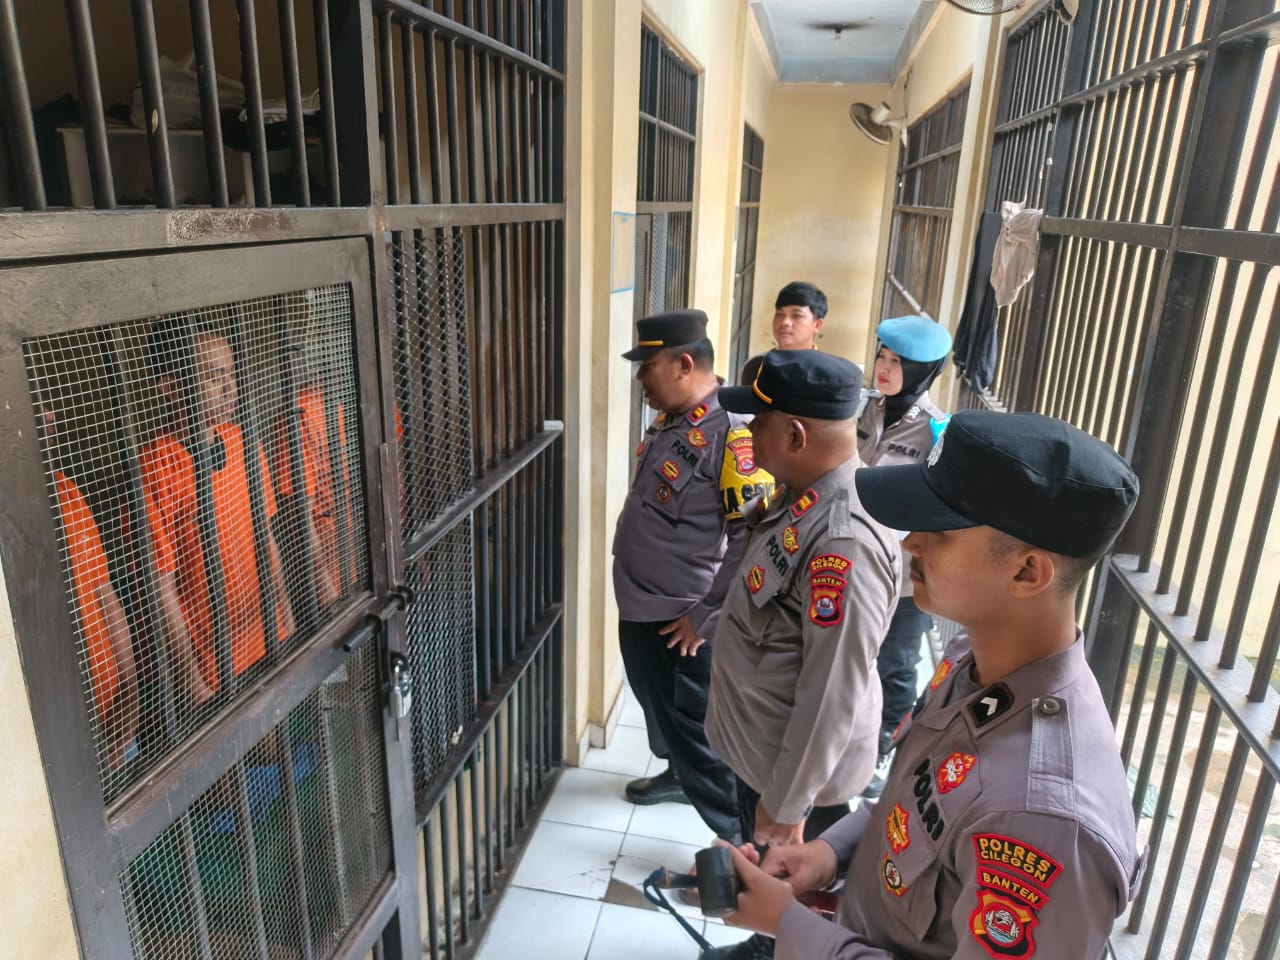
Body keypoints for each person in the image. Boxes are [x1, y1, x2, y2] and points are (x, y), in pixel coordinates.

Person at [716, 410, 1144, 960]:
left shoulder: (1045, 820)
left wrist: (788, 925)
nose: (911, 544)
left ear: (1026, 573)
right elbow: (922, 797)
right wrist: (831, 853)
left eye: (938, 532)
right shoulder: (976, 657)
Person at [703, 349, 901, 960]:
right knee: (766, 886)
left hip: (797, 782)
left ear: (795, 434)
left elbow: (831, 692)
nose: (747, 434)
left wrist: (789, 805)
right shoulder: (803, 496)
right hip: (768, 760)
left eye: (758, 423)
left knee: (794, 901)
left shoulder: (844, 540)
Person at [613, 308, 774, 842]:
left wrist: (704, 616)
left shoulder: (734, 434)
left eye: (648, 366)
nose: (641, 379)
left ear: (684, 365)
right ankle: (677, 775)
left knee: (700, 741)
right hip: (643, 605)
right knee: (662, 714)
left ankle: (740, 851)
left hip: (680, 621)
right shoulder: (674, 417)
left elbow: (751, 539)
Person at [140, 322, 294, 707]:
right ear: (170, 386)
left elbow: (266, 538)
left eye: (230, 373)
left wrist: (287, 615)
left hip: (268, 633)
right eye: (212, 376)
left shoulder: (241, 442)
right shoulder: (156, 466)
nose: (229, 387)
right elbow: (160, 586)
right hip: (214, 666)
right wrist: (192, 680)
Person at [856, 315, 953, 798]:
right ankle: (848, 742)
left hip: (903, 581)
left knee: (895, 667)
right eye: (883, 356)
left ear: (923, 371)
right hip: (853, 566)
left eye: (898, 362)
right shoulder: (861, 410)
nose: (885, 368)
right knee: (849, 657)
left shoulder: (938, 434)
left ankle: (883, 753)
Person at [40, 406, 140, 768]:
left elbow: (104, 592)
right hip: (62, 751)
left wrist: (130, 687)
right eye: (35, 405)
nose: (50, 415)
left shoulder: (65, 491)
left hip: (113, 713)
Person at [739, 281, 828, 384]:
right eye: (779, 314)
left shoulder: (826, 372)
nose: (785, 322)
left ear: (817, 325)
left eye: (797, 315)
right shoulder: (755, 366)